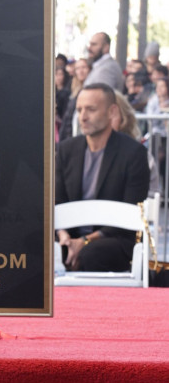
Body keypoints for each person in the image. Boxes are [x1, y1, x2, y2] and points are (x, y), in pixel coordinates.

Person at [56, 83, 150, 272]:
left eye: (91, 109)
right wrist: (64, 236)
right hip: (69, 236)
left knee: (92, 254)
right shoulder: (67, 149)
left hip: (114, 239)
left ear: (111, 112)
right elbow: (57, 200)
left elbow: (130, 209)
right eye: (80, 109)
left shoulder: (133, 153)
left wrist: (84, 241)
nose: (83, 117)